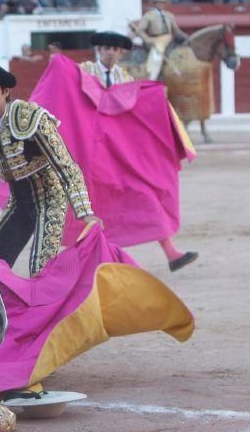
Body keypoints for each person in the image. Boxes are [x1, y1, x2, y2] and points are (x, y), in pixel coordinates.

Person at [78, 31, 198, 272]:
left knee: (146, 195)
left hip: (120, 153)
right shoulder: (83, 71)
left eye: (115, 48)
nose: (110, 51)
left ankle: (171, 253)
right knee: (94, 205)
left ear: (121, 53)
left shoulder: (125, 79)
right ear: (99, 50)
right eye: (106, 47)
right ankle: (92, 262)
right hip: (91, 152)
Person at [0, 64, 101, 276]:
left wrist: (85, 212)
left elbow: (66, 166)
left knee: (40, 271)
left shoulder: (31, 118)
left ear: (6, 92)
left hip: (50, 199)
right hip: (19, 202)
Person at [136, 0, 188, 80]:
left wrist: (185, 36)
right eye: (158, 3)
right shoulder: (149, 15)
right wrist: (147, 39)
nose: (160, 5)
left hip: (168, 38)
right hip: (155, 39)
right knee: (157, 53)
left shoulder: (170, 15)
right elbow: (140, 30)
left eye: (162, 3)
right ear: (154, 4)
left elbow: (176, 29)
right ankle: (152, 77)